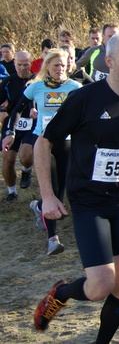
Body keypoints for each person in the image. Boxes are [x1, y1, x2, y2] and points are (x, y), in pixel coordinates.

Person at [31, 31, 119, 343]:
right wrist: (46, 195)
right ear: (109, 62)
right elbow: (45, 143)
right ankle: (60, 293)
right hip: (87, 202)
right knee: (100, 286)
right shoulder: (83, 99)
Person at [6, 49, 82, 254]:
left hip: (67, 143)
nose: (60, 69)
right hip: (44, 143)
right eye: (56, 65)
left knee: (61, 190)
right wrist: (10, 132)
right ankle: (52, 239)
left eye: (64, 65)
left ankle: (38, 207)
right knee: (53, 189)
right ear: (47, 66)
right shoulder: (36, 87)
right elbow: (16, 110)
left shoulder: (75, 87)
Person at [0, 51, 36, 202]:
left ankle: (26, 170)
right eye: (19, 64)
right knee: (8, 158)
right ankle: (11, 192)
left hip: (32, 123)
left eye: (26, 64)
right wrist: (2, 111)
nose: (22, 67)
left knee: (26, 156)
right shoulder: (7, 82)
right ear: (14, 63)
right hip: (11, 123)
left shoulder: (37, 80)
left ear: (31, 63)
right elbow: (2, 104)